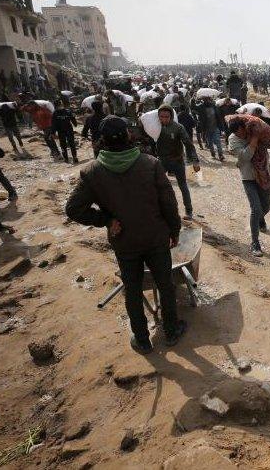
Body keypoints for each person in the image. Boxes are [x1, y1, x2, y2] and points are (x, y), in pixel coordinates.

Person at [65, 115, 186, 353]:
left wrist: (107, 221)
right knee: (165, 283)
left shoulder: (92, 172)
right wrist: (174, 230)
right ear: (129, 136)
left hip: (124, 241)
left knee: (132, 288)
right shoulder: (150, 163)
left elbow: (73, 209)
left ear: (102, 140)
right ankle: (171, 331)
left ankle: (141, 339)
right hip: (155, 237)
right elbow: (169, 203)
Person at [227, 116, 270, 257]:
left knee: (265, 207)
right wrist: (253, 141)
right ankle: (255, 243)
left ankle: (260, 219)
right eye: (236, 133)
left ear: (245, 127)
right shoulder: (233, 140)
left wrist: (260, 137)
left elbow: (269, 143)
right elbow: (245, 157)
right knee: (256, 208)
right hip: (248, 177)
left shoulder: (255, 131)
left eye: (240, 132)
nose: (239, 135)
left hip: (263, 175)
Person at [156, 104, 200, 219]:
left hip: (177, 161)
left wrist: (195, 161)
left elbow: (188, 144)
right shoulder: (155, 128)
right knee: (156, 185)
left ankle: (189, 211)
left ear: (171, 116)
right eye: (161, 117)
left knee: (183, 186)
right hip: (162, 161)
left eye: (167, 117)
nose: (164, 119)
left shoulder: (178, 127)